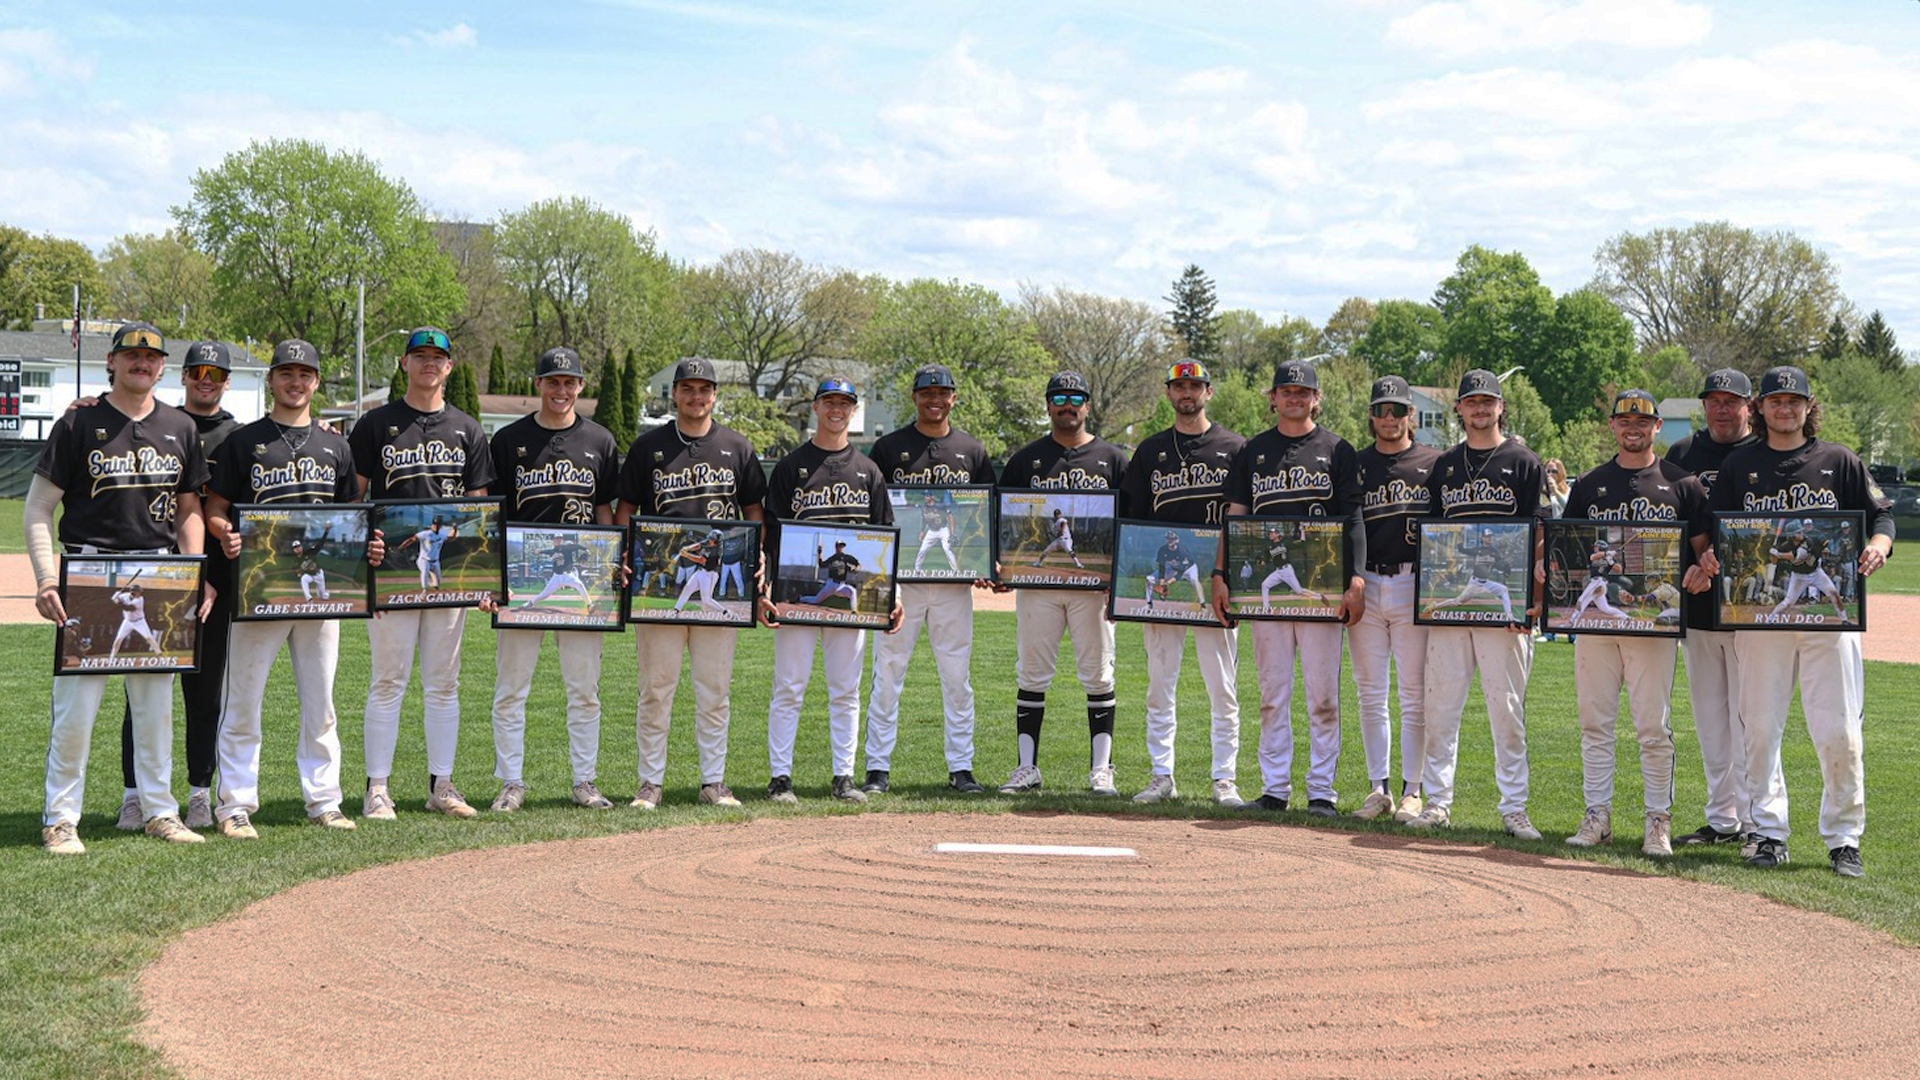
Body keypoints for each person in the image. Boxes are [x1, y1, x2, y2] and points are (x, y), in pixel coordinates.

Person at [1699, 366, 1892, 878]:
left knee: (1839, 731)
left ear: (1809, 406)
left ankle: (1844, 838)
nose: (1785, 409)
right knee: (1760, 730)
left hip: (1833, 619)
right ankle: (1767, 832)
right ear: (1759, 408)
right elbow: (1719, 533)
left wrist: (1878, 544)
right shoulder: (1741, 465)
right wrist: (1714, 559)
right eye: (1775, 401)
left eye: (1794, 400)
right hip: (1762, 620)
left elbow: (1881, 516)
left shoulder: (1839, 460)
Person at [27, 321, 211, 853]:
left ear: (162, 368)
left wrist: (192, 573)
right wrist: (44, 577)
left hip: (158, 574)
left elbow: (187, 511)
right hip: (87, 572)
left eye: (152, 359)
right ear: (112, 361)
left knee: (155, 708)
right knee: (77, 710)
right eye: (132, 355)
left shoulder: (180, 427)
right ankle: (61, 817)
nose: (142, 364)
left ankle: (159, 810)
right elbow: (39, 508)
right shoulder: (78, 424)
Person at [204, 338, 376, 838]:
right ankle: (234, 804)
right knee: (243, 701)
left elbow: (352, 516)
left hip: (317, 597)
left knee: (321, 703)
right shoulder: (243, 441)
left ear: (316, 381)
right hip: (259, 588)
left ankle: (323, 799)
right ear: (272, 379)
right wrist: (224, 533)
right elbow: (216, 507)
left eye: (305, 374)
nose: (295, 382)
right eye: (286, 373)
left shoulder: (335, 446)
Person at [348, 326, 495, 820]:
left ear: (450, 367)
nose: (429, 363)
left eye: (439, 357)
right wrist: (363, 542)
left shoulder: (468, 429)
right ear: (404, 363)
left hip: (448, 579)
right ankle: (378, 788)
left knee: (443, 683)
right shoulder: (375, 425)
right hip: (389, 570)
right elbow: (354, 497)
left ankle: (442, 784)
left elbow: (478, 510)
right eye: (420, 355)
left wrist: (479, 577)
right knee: (387, 680)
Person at [1561, 390, 1709, 858]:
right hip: (1599, 628)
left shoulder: (1681, 483)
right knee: (1594, 722)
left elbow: (1705, 550)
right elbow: (1570, 544)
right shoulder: (1588, 484)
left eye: (1642, 421)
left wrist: (1703, 568)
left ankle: (1656, 820)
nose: (1633, 427)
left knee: (1652, 725)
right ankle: (1597, 815)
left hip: (1653, 628)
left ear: (1656, 428)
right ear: (1612, 426)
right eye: (1625, 420)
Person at [615, 356, 767, 810]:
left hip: (713, 576)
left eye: (704, 389)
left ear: (715, 395)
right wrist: (628, 553)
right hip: (664, 570)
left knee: (714, 688)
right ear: (675, 394)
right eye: (688, 389)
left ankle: (713, 781)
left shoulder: (737, 447)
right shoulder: (649, 448)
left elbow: (754, 510)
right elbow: (626, 507)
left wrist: (757, 549)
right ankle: (650, 783)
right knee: (656, 688)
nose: (696, 397)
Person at [1215, 360, 1364, 817]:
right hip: (1270, 587)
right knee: (1271, 693)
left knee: (1322, 694)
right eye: (1287, 391)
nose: (1295, 398)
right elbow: (1235, 517)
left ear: (1316, 398)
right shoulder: (1253, 451)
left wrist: (1356, 578)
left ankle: (1322, 792)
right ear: (1273, 398)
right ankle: (1274, 789)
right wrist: (1221, 574)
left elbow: (1353, 517)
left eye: (1304, 392)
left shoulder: (1338, 449)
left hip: (1324, 578)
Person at [1406, 368, 1548, 838]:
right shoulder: (1445, 466)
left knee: (1505, 709)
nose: (1481, 408)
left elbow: (1541, 535)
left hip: (1503, 611)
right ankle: (1438, 801)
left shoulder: (1524, 461)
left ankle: (1514, 807)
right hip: (1460, 600)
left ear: (1500, 407)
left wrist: (1534, 599)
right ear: (1460, 409)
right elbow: (1431, 537)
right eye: (1472, 401)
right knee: (1440, 706)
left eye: (1489, 401)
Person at [110, 340, 241, 832]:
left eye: (216, 372)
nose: (206, 378)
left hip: (216, 584)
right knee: (142, 696)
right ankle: (133, 795)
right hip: (162, 574)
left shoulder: (241, 436)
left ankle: (200, 794)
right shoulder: (156, 422)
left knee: (206, 696)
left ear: (227, 381)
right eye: (197, 370)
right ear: (181, 375)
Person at [485, 346, 620, 814]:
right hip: (523, 578)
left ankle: (584, 780)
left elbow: (604, 513)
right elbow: (494, 516)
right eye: (553, 381)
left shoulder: (600, 441)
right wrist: (492, 577)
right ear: (538, 384)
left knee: (584, 690)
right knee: (511, 690)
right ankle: (511, 782)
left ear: (581, 386)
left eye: (570, 382)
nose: (561, 390)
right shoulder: (508, 441)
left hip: (581, 574)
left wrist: (609, 566)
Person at [861, 363, 997, 796]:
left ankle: (961, 768)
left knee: (957, 677)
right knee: (888, 672)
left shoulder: (971, 451)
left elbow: (986, 516)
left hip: (952, 586)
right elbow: (873, 513)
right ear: (915, 397)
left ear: (954, 397)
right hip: (901, 582)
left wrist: (983, 562)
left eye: (942, 392)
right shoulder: (887, 447)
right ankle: (877, 768)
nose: (934, 399)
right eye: (926, 392)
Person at [761, 377, 897, 804]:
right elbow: (770, 538)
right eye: (829, 401)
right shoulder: (790, 467)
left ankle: (843, 776)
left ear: (853, 410)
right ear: (816, 407)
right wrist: (767, 588)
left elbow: (885, 538)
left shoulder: (868, 470)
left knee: (845, 690)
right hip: (799, 594)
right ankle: (780, 777)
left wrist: (897, 598)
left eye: (844, 402)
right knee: (789, 686)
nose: (836, 409)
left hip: (847, 602)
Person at [1119, 360, 1245, 806]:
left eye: (1194, 385)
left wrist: (1229, 577)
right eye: (1179, 386)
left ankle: (1224, 778)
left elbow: (1243, 519)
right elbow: (1130, 519)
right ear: (1168, 393)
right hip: (1169, 578)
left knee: (1223, 687)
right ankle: (1160, 774)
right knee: (1159, 683)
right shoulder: (1150, 451)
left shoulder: (1235, 447)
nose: (1186, 393)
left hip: (1216, 583)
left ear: (1208, 391)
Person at [996, 371, 1129, 795]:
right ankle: (1027, 769)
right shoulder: (1025, 459)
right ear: (1049, 404)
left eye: (1075, 397)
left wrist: (1119, 577)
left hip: (1095, 592)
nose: (1066, 404)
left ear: (1087, 405)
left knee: (1098, 676)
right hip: (1038, 590)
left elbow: (1129, 521)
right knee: (1032, 674)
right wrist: (1001, 563)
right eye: (1058, 397)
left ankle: (1101, 770)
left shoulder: (1113, 458)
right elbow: (1002, 519)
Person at [1664, 369, 1770, 846]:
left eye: (1733, 400)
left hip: (1751, 608)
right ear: (1703, 406)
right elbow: (1669, 523)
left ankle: (1755, 823)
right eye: (1714, 400)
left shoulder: (1763, 454)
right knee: (1710, 719)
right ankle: (1723, 819)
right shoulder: (1683, 454)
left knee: (1750, 718)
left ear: (1750, 406)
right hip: (1700, 605)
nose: (1722, 409)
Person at [1348, 375, 1441, 823]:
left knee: (1413, 694)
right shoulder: (1355, 462)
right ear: (1371, 415)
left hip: (1412, 583)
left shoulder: (1434, 462)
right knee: (1370, 693)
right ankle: (1377, 787)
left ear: (1412, 416)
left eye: (1398, 410)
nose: (1390, 418)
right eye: (1382, 410)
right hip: (1365, 582)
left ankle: (1413, 790)